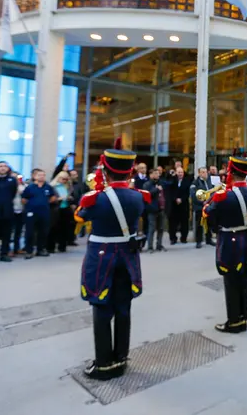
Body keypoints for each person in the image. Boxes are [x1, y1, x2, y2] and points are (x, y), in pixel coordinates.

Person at [74, 141, 150, 380]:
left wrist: (96, 189)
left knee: (102, 308)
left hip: (102, 256)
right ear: (129, 171)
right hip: (127, 257)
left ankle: (104, 363)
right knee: (123, 308)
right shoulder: (139, 197)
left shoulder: (95, 198)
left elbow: (79, 216)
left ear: (105, 171)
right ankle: (121, 358)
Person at [203, 153, 247, 333]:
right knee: (245, 280)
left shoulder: (223, 196)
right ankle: (243, 317)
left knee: (231, 282)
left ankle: (234, 321)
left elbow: (210, 215)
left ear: (231, 172)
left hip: (230, 242)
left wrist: (208, 205)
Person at [21, 169, 56, 258]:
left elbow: (52, 198)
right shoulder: (30, 187)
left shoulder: (48, 187)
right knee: (30, 232)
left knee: (43, 231)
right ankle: (29, 250)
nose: (42, 177)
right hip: (31, 212)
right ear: (35, 176)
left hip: (44, 212)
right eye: (39, 175)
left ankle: (41, 249)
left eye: (43, 175)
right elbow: (24, 199)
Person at [143, 169, 167, 252]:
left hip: (161, 208)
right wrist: (156, 189)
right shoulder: (147, 184)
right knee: (152, 229)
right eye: (156, 173)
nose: (158, 175)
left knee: (161, 228)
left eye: (158, 173)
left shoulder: (161, 183)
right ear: (151, 175)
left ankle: (159, 245)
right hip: (152, 209)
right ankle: (150, 246)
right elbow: (147, 194)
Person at [49, 171, 73, 253]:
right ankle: (50, 247)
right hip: (56, 209)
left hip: (66, 208)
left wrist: (70, 198)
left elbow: (72, 196)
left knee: (65, 228)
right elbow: (49, 199)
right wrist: (58, 199)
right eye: (63, 179)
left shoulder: (68, 187)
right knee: (54, 228)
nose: (65, 181)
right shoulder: (52, 186)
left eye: (66, 179)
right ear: (58, 178)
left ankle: (62, 246)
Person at [167, 167, 190, 245]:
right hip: (174, 205)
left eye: (181, 172)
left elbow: (187, 193)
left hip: (184, 205)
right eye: (179, 172)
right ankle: (173, 238)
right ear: (176, 173)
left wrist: (181, 199)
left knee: (184, 222)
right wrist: (175, 199)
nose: (180, 174)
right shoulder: (172, 180)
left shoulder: (187, 181)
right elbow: (170, 191)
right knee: (173, 223)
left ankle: (184, 238)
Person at [190, 167, 210, 249]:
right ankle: (199, 241)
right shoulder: (195, 183)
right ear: (199, 173)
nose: (205, 173)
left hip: (209, 206)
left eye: (205, 172)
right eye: (203, 172)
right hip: (200, 207)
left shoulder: (209, 182)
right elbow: (194, 196)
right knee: (199, 224)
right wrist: (202, 202)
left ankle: (209, 239)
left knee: (209, 223)